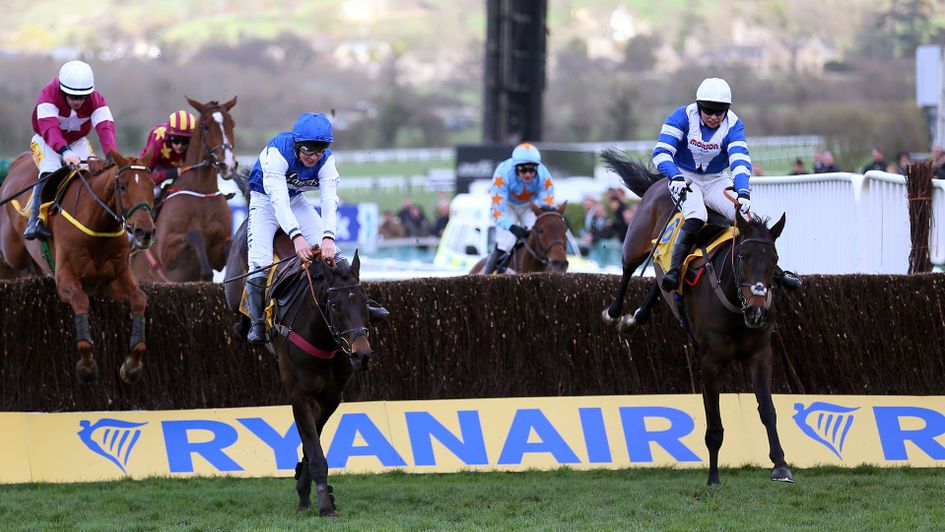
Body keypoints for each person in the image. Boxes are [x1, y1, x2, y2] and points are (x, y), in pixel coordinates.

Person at [244, 112, 387, 343]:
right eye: (309, 150)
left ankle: (362, 304)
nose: (314, 156)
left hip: (296, 200)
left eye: (320, 150)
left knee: (338, 255)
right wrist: (297, 237)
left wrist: (328, 238)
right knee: (259, 263)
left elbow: (329, 200)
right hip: (265, 201)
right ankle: (256, 323)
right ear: (297, 144)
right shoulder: (277, 153)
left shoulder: (326, 160)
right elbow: (278, 201)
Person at [651, 77, 800, 292]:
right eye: (708, 111)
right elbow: (661, 152)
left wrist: (743, 193)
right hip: (684, 176)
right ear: (699, 107)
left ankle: (777, 273)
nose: (713, 117)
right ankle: (674, 270)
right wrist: (674, 176)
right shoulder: (681, 117)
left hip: (716, 179)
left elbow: (740, 161)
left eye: (719, 112)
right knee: (696, 214)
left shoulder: (734, 124)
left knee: (746, 220)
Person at [25, 60, 117, 241]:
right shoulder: (48, 94)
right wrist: (65, 152)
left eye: (82, 97)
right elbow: (50, 128)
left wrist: (111, 155)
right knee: (50, 169)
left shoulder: (97, 101)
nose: (78, 102)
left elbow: (105, 128)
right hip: (46, 140)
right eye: (72, 96)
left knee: (92, 173)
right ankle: (35, 219)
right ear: (62, 90)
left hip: (77, 141)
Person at [482, 142, 555, 274]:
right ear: (515, 168)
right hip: (507, 206)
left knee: (542, 235)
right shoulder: (502, 174)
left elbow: (547, 207)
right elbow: (497, 211)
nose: (528, 174)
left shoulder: (544, 176)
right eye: (523, 169)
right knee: (507, 242)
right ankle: (483, 279)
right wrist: (512, 227)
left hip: (529, 206)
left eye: (532, 170)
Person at [139, 110, 197, 197]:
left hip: (183, 169)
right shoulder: (158, 139)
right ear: (169, 136)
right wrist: (170, 174)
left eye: (185, 141)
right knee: (150, 193)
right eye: (176, 140)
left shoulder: (197, 142)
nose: (180, 146)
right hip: (156, 166)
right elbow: (143, 178)